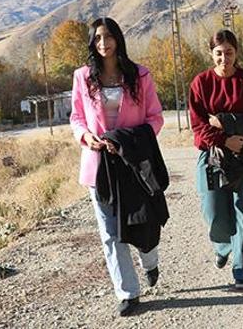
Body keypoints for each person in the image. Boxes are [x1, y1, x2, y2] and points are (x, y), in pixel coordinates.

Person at [69, 17, 165, 316]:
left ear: (118, 39)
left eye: (108, 37)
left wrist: (127, 141)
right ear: (91, 43)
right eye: (97, 38)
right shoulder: (82, 77)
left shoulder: (140, 75)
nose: (103, 43)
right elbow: (76, 117)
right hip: (99, 167)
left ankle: (150, 261)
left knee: (142, 224)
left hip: (133, 164)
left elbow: (155, 117)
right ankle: (127, 292)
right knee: (110, 232)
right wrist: (87, 137)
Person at [189, 29, 243, 290]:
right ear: (211, 54)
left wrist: (223, 122)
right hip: (212, 155)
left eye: (229, 53)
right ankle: (222, 247)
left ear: (236, 53)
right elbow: (199, 125)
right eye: (219, 53)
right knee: (213, 212)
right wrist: (224, 139)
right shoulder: (201, 83)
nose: (224, 58)